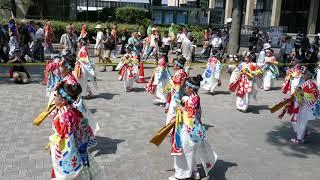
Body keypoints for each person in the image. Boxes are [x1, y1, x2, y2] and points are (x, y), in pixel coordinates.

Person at [49, 82, 105, 179]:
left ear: (63, 101)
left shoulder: (64, 116)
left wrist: (55, 144)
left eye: (56, 95)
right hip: (79, 149)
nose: (54, 97)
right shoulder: (73, 111)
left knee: (70, 175)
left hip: (70, 152)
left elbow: (66, 141)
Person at [168, 75, 217, 180]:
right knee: (190, 152)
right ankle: (194, 172)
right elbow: (184, 106)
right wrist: (179, 103)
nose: (184, 87)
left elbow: (187, 113)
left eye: (186, 86)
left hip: (188, 129)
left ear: (190, 88)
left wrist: (180, 107)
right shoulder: (193, 98)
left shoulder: (191, 100)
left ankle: (181, 175)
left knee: (184, 152)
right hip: (193, 129)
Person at [289, 68, 319, 144]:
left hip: (304, 107)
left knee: (301, 121)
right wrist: (297, 94)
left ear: (309, 75)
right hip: (299, 105)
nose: (303, 75)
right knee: (296, 120)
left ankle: (299, 138)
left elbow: (314, 96)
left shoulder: (311, 84)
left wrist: (301, 95)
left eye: (305, 74)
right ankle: (303, 133)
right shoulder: (304, 82)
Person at [164, 56, 188, 124]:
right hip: (180, 95)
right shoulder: (183, 72)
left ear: (178, 66)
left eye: (174, 64)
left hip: (176, 96)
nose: (173, 66)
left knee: (172, 112)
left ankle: (171, 129)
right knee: (178, 111)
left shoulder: (179, 74)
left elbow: (178, 87)